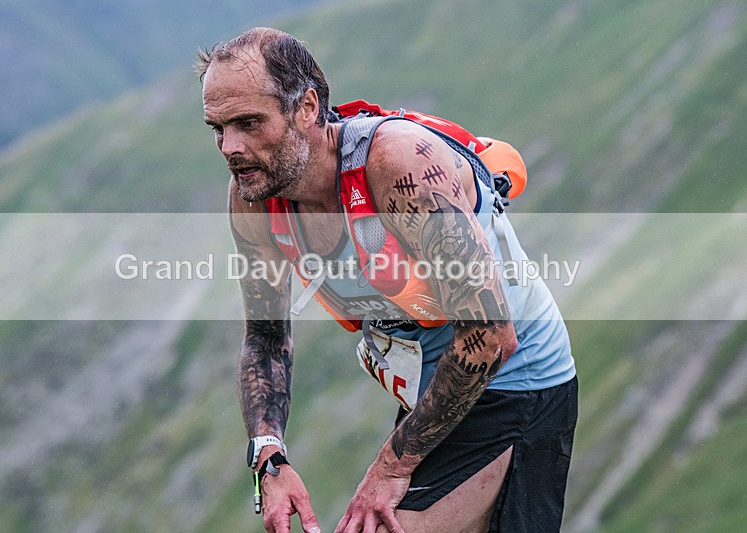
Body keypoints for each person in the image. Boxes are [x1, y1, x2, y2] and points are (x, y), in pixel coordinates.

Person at [197, 27, 577, 533]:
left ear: (306, 107)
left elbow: (489, 337)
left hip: (515, 384)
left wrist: (391, 467)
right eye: (218, 128)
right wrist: (270, 460)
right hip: (437, 396)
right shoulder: (254, 194)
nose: (231, 147)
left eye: (248, 123)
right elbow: (265, 339)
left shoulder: (398, 167)